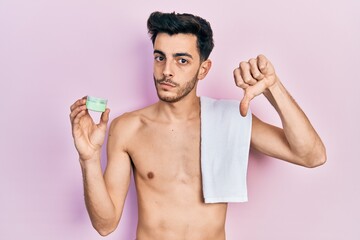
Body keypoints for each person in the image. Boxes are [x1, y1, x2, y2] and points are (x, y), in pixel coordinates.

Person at [69, 11, 326, 240]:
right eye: (160, 57)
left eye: (182, 60)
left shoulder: (231, 118)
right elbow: (105, 225)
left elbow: (311, 155)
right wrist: (88, 158)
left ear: (203, 69)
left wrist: (273, 87)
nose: (166, 70)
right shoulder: (127, 128)